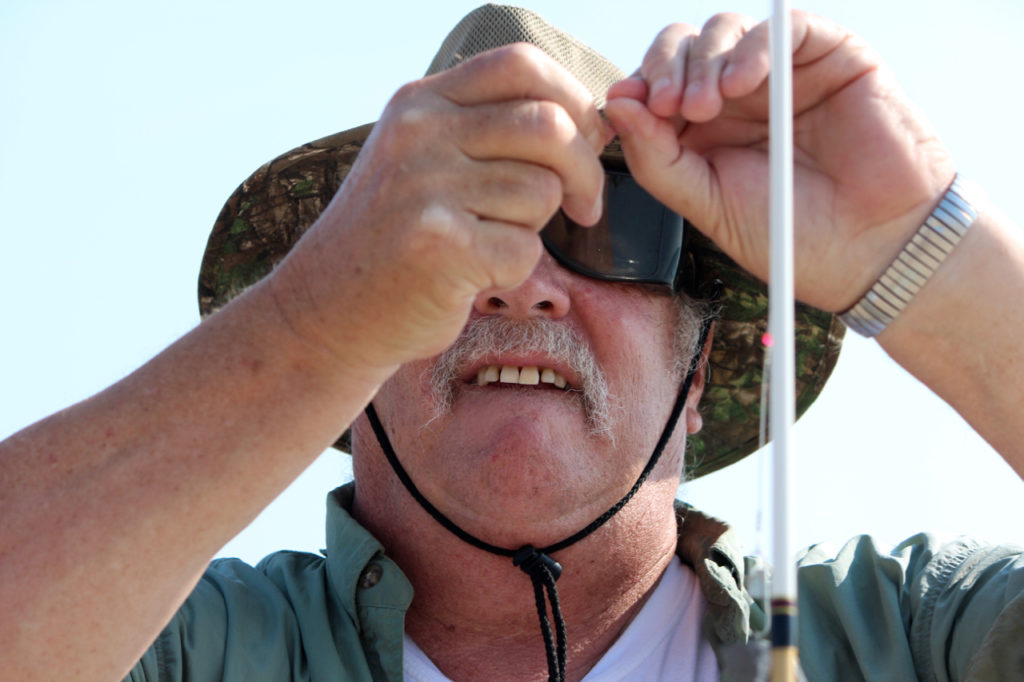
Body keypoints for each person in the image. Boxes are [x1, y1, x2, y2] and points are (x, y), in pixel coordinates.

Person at [1, 4, 1022, 681]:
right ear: (351, 369)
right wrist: (307, 325)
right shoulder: (173, 650)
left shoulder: (914, 637)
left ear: (703, 367)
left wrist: (924, 251)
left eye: (611, 230)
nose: (521, 281)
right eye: (440, 238)